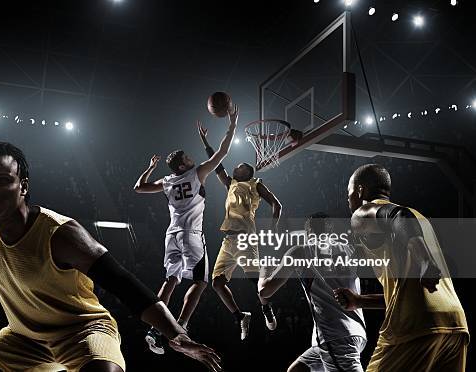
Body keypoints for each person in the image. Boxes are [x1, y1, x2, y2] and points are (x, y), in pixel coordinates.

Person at [0, 141, 222, 372]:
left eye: (3, 180)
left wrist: (177, 335)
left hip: (82, 332)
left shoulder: (61, 234)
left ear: (23, 186)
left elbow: (123, 284)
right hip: (23, 338)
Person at [335, 163, 469, 372]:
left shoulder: (364, 213)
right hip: (454, 323)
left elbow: (397, 214)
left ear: (360, 190)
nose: (348, 199)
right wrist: (360, 301)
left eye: (349, 193)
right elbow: (406, 290)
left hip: (413, 325)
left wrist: (424, 260)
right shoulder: (420, 218)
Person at [133, 105, 239, 354]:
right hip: (191, 234)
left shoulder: (168, 181)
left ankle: (154, 329)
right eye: (189, 159)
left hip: (171, 235)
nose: (193, 159)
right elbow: (222, 152)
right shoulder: (196, 173)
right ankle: (181, 326)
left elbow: (139, 188)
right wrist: (232, 124)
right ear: (183, 166)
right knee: (201, 283)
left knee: (171, 280)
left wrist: (149, 167)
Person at [197, 122, 280, 340]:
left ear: (248, 171)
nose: (235, 168)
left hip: (246, 239)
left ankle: (266, 309)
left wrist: (272, 229)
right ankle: (240, 316)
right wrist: (205, 141)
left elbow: (276, 205)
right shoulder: (230, 184)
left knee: (258, 283)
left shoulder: (255, 184)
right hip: (228, 240)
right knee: (217, 283)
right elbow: (217, 165)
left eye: (240, 166)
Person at [259, 213, 367, 371]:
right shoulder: (350, 248)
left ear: (308, 231)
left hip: (335, 335)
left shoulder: (300, 252)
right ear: (330, 230)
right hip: (357, 331)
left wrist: (263, 271)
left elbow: (265, 291)